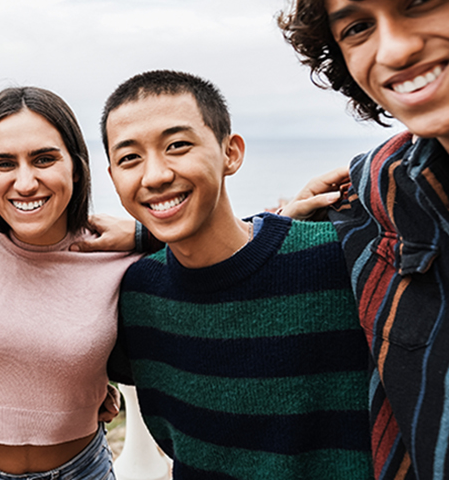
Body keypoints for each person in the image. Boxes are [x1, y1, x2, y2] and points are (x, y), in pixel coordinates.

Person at [102, 70, 373, 479]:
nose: (154, 175)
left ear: (231, 153)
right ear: (113, 178)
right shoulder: (140, 293)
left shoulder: (335, 259)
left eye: (177, 146)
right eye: (129, 158)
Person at [278, 0, 449, 478]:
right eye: (356, 28)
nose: (395, 50)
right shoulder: (382, 194)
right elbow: (256, 236)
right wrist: (146, 237)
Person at [0, 87, 140, 480]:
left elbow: (221, 243)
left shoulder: (117, 252)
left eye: (44, 159)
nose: (25, 182)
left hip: (83, 471)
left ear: (76, 167)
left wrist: (147, 235)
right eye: (4, 164)